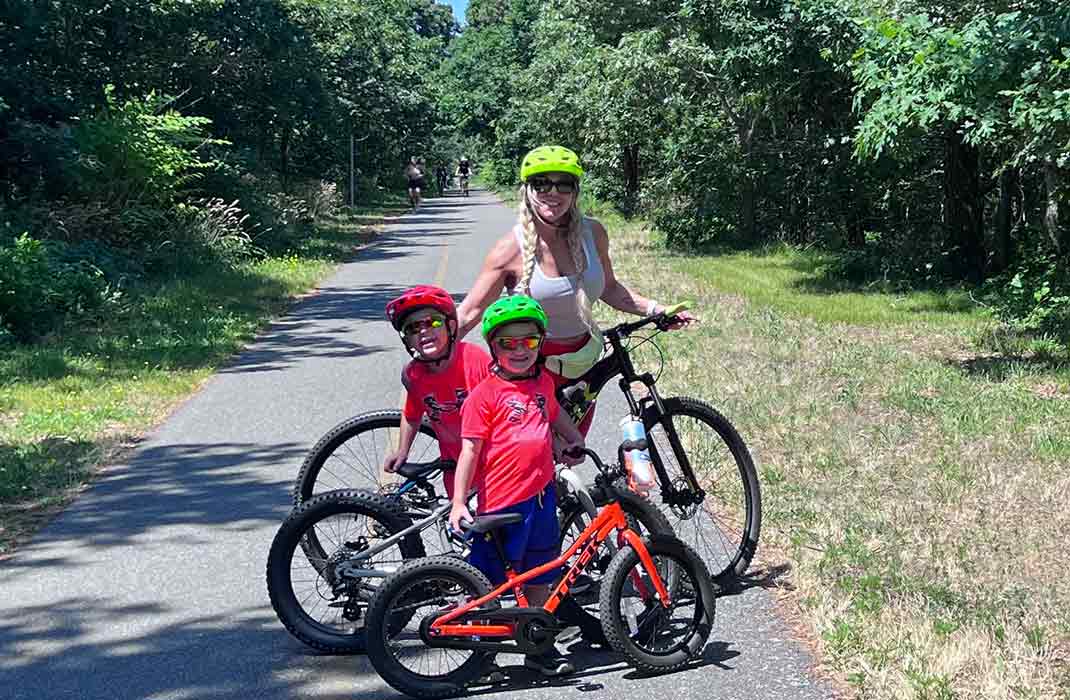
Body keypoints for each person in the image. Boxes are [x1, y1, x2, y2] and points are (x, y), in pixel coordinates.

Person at [456, 145, 696, 435]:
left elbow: (609, 288)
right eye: (542, 183)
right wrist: (433, 350)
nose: (553, 193)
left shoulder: (593, 234)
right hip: (530, 366)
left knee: (570, 453)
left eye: (564, 184)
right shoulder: (510, 249)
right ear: (527, 190)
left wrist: (656, 309)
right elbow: (471, 311)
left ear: (575, 191)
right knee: (530, 462)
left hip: (581, 365)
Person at [449, 295, 586, 678]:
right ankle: (480, 651)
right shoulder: (484, 396)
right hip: (501, 507)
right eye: (508, 343)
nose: (520, 350)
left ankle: (537, 646)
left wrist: (573, 441)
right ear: (493, 347)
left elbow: (555, 418)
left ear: (540, 343)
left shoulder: (543, 382)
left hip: (542, 500)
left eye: (528, 341)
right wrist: (459, 502)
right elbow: (469, 452)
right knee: (486, 581)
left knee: (541, 573)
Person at [383, 285, 491, 498]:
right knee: (463, 527)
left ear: (451, 326)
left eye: (432, 322)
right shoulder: (415, 375)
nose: (424, 331)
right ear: (407, 339)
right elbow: (412, 415)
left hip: (492, 463)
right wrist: (402, 451)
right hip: (455, 468)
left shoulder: (475, 360)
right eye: (413, 328)